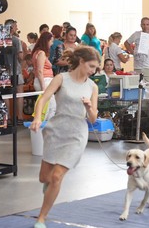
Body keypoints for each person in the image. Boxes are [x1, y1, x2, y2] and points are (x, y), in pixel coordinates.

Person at [30, 46, 99, 228]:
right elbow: (43, 99)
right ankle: (49, 184)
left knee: (57, 177)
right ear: (82, 62)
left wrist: (89, 108)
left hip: (77, 134)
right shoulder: (61, 79)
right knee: (44, 177)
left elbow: (93, 119)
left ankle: (41, 218)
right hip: (56, 130)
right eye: (91, 66)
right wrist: (38, 118)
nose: (93, 71)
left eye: (95, 68)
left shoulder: (93, 87)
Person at [124, 17, 149, 82]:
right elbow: (126, 43)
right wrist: (132, 52)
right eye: (143, 24)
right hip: (138, 66)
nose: (145, 26)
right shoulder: (136, 34)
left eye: (147, 24)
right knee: (137, 87)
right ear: (141, 25)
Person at [4, 19, 25, 125]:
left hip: (4, 71)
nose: (17, 28)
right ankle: (20, 117)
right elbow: (21, 56)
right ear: (11, 27)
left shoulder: (1, 39)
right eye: (15, 26)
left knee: (6, 95)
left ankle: (7, 117)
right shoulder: (16, 40)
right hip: (16, 70)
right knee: (19, 93)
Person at [31, 32, 56, 120]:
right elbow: (40, 71)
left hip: (42, 81)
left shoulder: (36, 52)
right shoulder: (41, 53)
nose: (52, 44)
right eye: (51, 41)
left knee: (46, 105)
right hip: (45, 81)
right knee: (51, 106)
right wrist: (43, 87)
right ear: (47, 41)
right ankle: (47, 126)